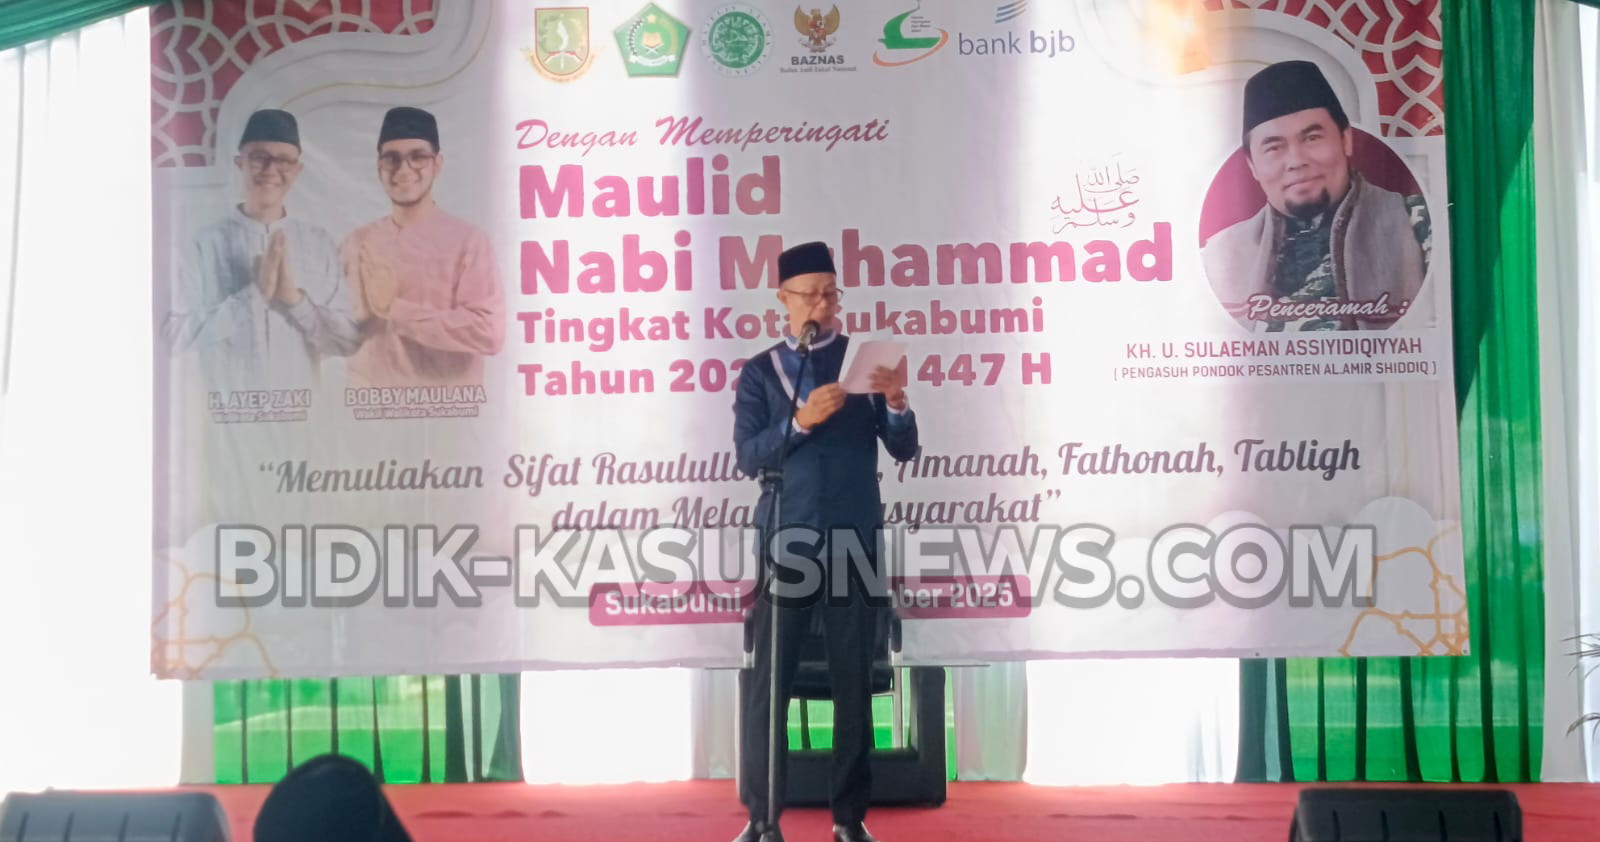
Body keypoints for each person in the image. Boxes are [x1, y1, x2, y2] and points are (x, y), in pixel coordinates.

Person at [730, 241, 919, 842]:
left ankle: (849, 818)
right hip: (787, 539)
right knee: (772, 682)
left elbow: (904, 448)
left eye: (831, 294)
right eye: (810, 294)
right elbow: (748, 455)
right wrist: (799, 421)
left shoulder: (862, 365)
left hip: (854, 538)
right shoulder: (761, 373)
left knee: (853, 681)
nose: (822, 305)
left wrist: (896, 403)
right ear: (783, 300)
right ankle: (763, 818)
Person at [1202, 60, 1430, 331]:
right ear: (1252, 165)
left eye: (1312, 138)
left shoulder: (1418, 225)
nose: (1296, 161)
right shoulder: (1217, 257)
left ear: (1346, 139)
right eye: (1274, 148)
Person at [164, 108, 360, 390]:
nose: (270, 170)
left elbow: (348, 341)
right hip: (230, 411)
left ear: (297, 170)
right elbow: (173, 337)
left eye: (283, 160)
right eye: (259, 157)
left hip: (301, 409)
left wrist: (295, 301)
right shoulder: (204, 244)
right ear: (240, 163)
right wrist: (252, 298)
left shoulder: (319, 244)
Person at [342, 106, 504, 387]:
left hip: (444, 406)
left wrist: (395, 309)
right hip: (372, 406)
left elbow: (489, 332)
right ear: (379, 166)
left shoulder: (468, 241)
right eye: (391, 159)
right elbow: (334, 335)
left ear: (437, 164)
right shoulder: (357, 242)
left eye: (417, 157)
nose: (403, 169)